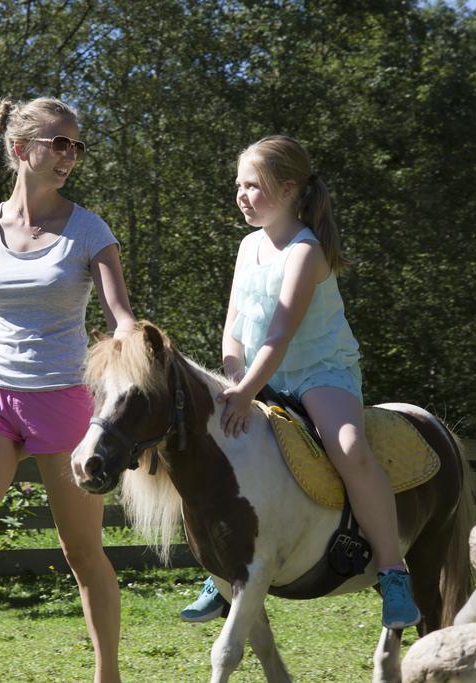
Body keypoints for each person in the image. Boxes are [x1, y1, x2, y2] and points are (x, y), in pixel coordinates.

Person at [0, 96, 136, 683]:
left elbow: (121, 317)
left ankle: (107, 673)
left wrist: (140, 355)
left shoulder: (89, 231)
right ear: (21, 148)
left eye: (76, 145)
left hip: (65, 399)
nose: (70, 155)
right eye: (58, 142)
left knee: (82, 552)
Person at [179, 135, 420, 630]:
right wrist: (234, 380)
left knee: (349, 448)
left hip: (317, 370)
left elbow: (280, 335)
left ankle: (393, 572)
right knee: (227, 452)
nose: (243, 195)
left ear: (289, 189)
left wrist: (246, 393)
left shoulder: (306, 251)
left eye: (255, 186)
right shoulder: (248, 247)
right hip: (258, 373)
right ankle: (222, 574)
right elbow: (233, 328)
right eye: (239, 185)